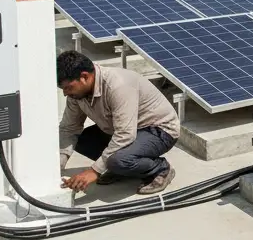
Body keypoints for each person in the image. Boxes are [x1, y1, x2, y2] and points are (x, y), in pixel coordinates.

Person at [57, 51, 180, 195]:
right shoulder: (76, 94)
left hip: (159, 130)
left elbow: (125, 135)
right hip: (124, 128)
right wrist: (59, 163)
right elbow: (69, 129)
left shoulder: (118, 85)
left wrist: (94, 171)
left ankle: (161, 169)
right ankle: (121, 170)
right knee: (82, 140)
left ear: (84, 76)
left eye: (68, 87)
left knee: (118, 160)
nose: (65, 93)